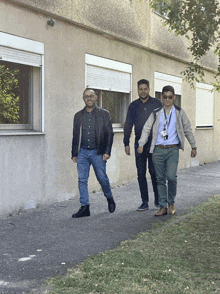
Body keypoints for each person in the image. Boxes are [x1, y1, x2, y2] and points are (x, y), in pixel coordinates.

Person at [137, 85, 197, 216]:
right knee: (159, 179)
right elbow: (146, 129)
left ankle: (171, 203)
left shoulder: (180, 112)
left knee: (171, 177)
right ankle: (163, 206)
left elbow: (187, 129)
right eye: (165, 97)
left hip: (172, 150)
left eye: (170, 97)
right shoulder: (156, 113)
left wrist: (193, 146)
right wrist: (141, 143)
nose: (168, 99)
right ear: (161, 97)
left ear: (174, 97)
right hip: (158, 150)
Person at [71, 88, 116, 218]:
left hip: (98, 152)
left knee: (102, 178)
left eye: (91, 96)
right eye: (86, 96)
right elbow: (75, 136)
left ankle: (109, 198)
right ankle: (85, 207)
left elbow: (109, 134)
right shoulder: (78, 116)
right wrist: (74, 153)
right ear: (83, 99)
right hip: (82, 153)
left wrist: (107, 151)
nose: (89, 98)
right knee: (82, 179)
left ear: (95, 97)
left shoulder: (104, 114)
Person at [123, 79, 162, 211]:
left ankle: (158, 200)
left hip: (154, 143)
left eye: (145, 89)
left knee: (154, 172)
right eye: (141, 89)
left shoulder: (157, 104)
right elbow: (128, 124)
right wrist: (126, 142)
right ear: (138, 90)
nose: (143, 91)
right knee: (141, 173)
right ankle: (144, 202)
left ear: (149, 89)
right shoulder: (133, 106)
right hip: (139, 143)